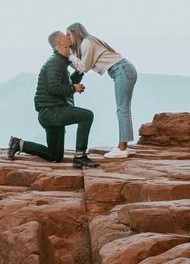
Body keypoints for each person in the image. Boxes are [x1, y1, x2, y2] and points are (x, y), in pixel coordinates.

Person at [8, 31, 99, 168]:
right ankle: (80, 156)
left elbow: (65, 84)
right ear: (57, 46)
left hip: (52, 112)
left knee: (54, 156)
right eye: (65, 39)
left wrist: (80, 71)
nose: (69, 40)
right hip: (51, 112)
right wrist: (74, 88)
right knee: (87, 116)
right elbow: (53, 88)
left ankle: (19, 144)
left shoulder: (60, 63)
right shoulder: (55, 63)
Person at [66, 22, 137, 158]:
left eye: (68, 35)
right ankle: (123, 147)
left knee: (122, 109)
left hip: (122, 71)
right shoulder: (89, 41)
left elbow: (83, 68)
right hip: (124, 70)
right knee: (124, 109)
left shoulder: (87, 42)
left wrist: (69, 55)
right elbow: (82, 66)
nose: (68, 38)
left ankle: (122, 149)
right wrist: (70, 58)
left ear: (75, 32)